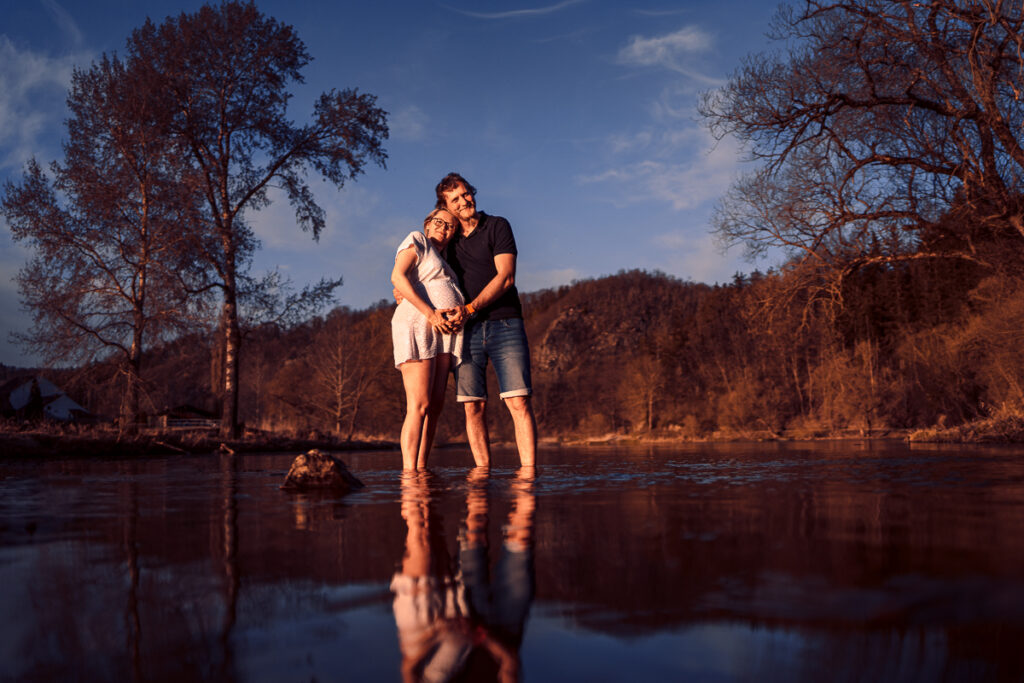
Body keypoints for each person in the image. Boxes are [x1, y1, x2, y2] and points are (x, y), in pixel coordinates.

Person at [437, 173, 537, 468]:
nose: (464, 200)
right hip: (465, 333)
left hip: (505, 323)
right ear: (447, 207)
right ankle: (482, 478)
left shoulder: (497, 225)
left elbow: (506, 277)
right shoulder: (447, 242)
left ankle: (529, 475)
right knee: (473, 407)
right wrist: (400, 287)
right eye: (455, 199)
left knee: (518, 402)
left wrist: (470, 308)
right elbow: (422, 267)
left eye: (466, 193)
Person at [391, 208, 464, 470]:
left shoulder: (446, 262)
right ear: (427, 225)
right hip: (419, 323)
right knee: (419, 404)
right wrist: (430, 313)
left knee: (434, 407)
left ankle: (422, 468)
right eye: (440, 223)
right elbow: (397, 276)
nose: (445, 229)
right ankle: (409, 472)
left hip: (444, 333)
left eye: (451, 227)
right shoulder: (417, 240)